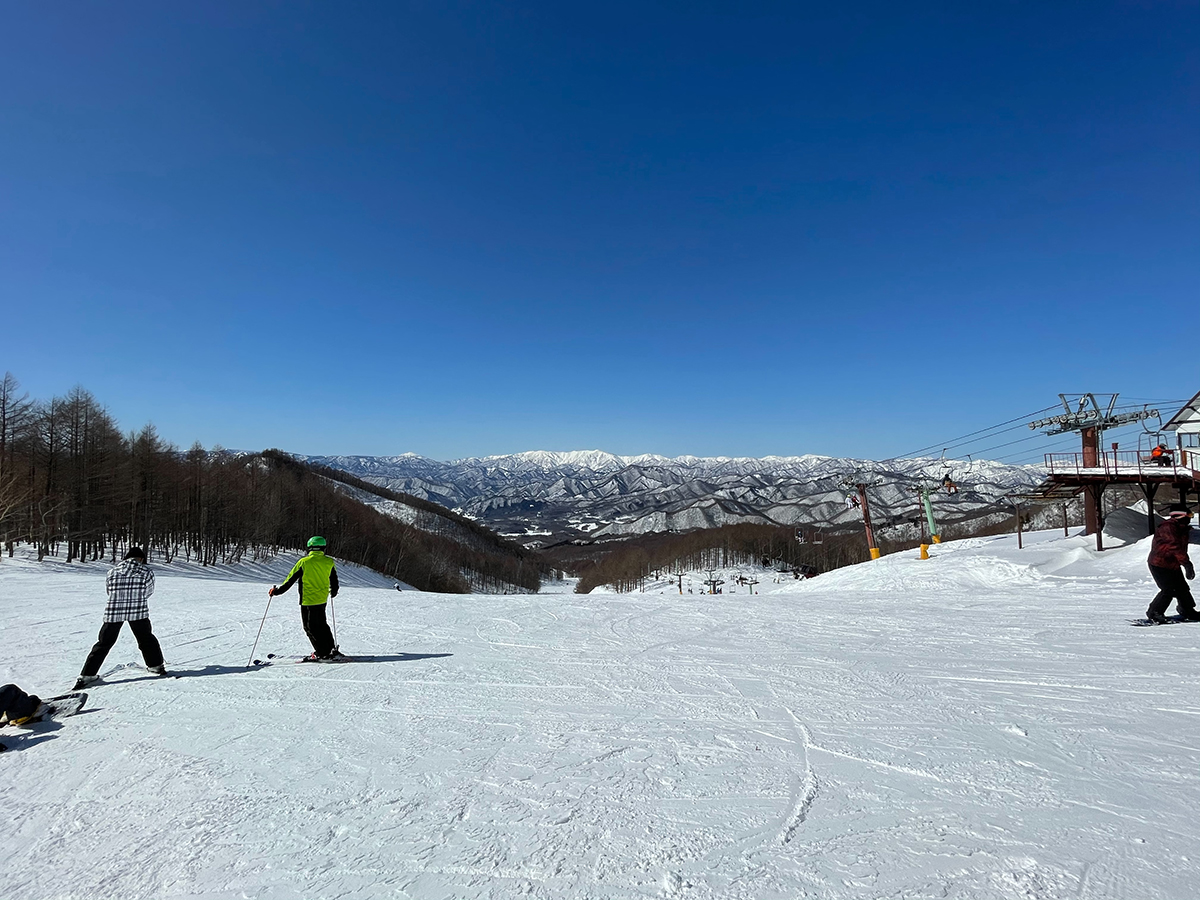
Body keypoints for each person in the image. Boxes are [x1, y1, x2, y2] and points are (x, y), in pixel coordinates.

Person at [74, 547, 167, 689]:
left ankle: (87, 674)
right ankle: (155, 666)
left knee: (103, 642)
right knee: (146, 639)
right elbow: (149, 591)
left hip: (114, 611)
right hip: (138, 610)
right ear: (141, 559)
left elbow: (108, 590)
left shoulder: (112, 572)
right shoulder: (146, 572)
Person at [269, 536, 341, 660]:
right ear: (323, 547)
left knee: (310, 627)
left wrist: (276, 591)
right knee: (322, 625)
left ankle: (322, 652)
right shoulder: (329, 561)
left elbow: (290, 580)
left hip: (308, 600)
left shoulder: (304, 562)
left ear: (310, 548)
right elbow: (334, 579)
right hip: (322, 599)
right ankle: (331, 649)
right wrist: (334, 591)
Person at [1146, 505, 1196, 624]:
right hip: (1160, 563)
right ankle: (1154, 612)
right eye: (1189, 515)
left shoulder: (1181, 527)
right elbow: (1174, 547)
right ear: (1181, 516)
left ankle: (1187, 609)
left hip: (1172, 564)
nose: (1190, 518)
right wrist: (1187, 564)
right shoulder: (1168, 527)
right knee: (1168, 589)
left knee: (1182, 588)